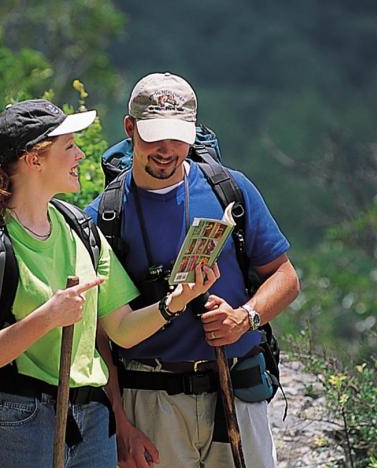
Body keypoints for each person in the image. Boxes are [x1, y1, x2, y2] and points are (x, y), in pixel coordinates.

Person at [0, 98, 220, 467]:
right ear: (34, 159)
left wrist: (175, 303)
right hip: (18, 416)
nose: (80, 155)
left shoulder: (81, 230)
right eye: (69, 146)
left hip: (92, 417)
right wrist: (48, 316)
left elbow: (121, 329)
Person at [85, 73, 301, 468]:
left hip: (235, 388)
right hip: (148, 401)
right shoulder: (103, 216)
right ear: (130, 128)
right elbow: (98, 336)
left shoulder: (230, 190)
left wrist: (244, 318)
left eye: (178, 136)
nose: (166, 150)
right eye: (153, 136)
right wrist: (120, 425)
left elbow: (285, 277)